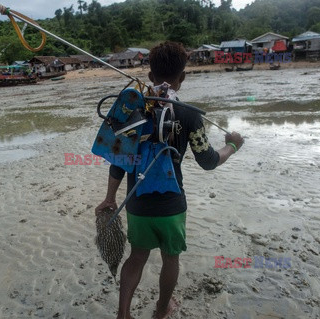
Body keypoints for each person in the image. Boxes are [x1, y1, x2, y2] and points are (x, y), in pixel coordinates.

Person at [95, 41, 244, 319]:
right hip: (172, 206)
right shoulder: (189, 114)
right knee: (170, 259)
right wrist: (233, 146)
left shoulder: (134, 110)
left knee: (137, 257)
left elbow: (119, 161)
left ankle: (123, 314)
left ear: (150, 76)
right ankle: (162, 311)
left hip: (136, 202)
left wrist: (109, 197)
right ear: (183, 77)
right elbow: (208, 160)